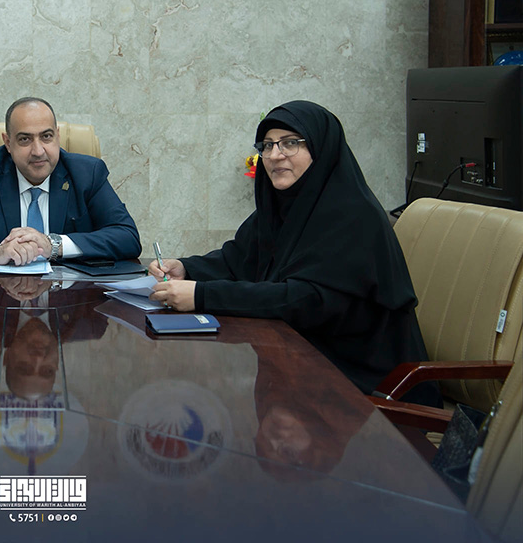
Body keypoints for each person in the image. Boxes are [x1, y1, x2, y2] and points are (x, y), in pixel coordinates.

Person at [149, 100, 437, 404]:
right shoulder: (284, 206)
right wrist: (187, 268)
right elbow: (239, 258)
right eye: (268, 145)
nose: (275, 155)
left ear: (320, 149)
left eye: (290, 143)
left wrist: (203, 295)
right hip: (299, 363)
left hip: (362, 383)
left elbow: (307, 301)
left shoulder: (354, 216)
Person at [0, 97, 141, 265]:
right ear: (8, 143)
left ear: (57, 136)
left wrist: (54, 245)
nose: (38, 151)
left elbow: (127, 237)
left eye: (46, 137)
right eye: (25, 139)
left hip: (71, 301)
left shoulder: (87, 173)